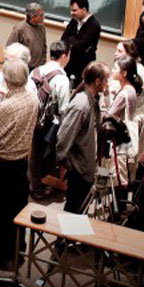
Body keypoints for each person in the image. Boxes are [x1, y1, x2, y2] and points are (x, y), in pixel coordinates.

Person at [0, 59, 38, 270]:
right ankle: (17, 253)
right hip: (21, 163)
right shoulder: (32, 97)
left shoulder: (6, 108)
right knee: (17, 210)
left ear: (5, 80)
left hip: (1, 166)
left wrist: (3, 104)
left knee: (0, 214)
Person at [56, 62, 109, 213]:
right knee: (73, 211)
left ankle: (68, 236)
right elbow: (63, 137)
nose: (107, 84)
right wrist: (70, 164)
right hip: (79, 170)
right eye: (106, 80)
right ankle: (65, 237)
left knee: (77, 211)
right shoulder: (81, 105)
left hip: (85, 168)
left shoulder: (92, 100)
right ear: (97, 81)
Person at [28, 40, 70, 200]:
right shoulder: (62, 79)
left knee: (35, 153)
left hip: (33, 118)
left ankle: (33, 181)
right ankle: (36, 185)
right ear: (64, 56)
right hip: (51, 124)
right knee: (53, 156)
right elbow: (64, 109)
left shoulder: (36, 71)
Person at [103, 55, 144, 187]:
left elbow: (109, 115)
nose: (112, 70)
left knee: (113, 177)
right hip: (124, 140)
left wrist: (107, 94)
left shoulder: (123, 93)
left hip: (118, 141)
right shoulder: (130, 90)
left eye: (115, 68)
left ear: (124, 73)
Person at [0, 42, 38, 114]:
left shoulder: (29, 86)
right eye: (5, 60)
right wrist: (1, 109)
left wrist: (6, 104)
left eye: (9, 61)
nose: (5, 64)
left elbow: (25, 114)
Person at [61, 0, 101, 87]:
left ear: (84, 9)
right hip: (70, 64)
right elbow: (63, 39)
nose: (71, 13)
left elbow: (81, 46)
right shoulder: (74, 21)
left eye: (74, 10)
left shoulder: (94, 25)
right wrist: (73, 41)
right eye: (71, 10)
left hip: (84, 66)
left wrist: (71, 39)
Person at [6, 2, 47, 70]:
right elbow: (10, 48)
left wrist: (42, 62)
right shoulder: (19, 28)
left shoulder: (42, 28)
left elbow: (44, 47)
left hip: (38, 68)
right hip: (23, 68)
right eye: (41, 15)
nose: (43, 17)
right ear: (32, 17)